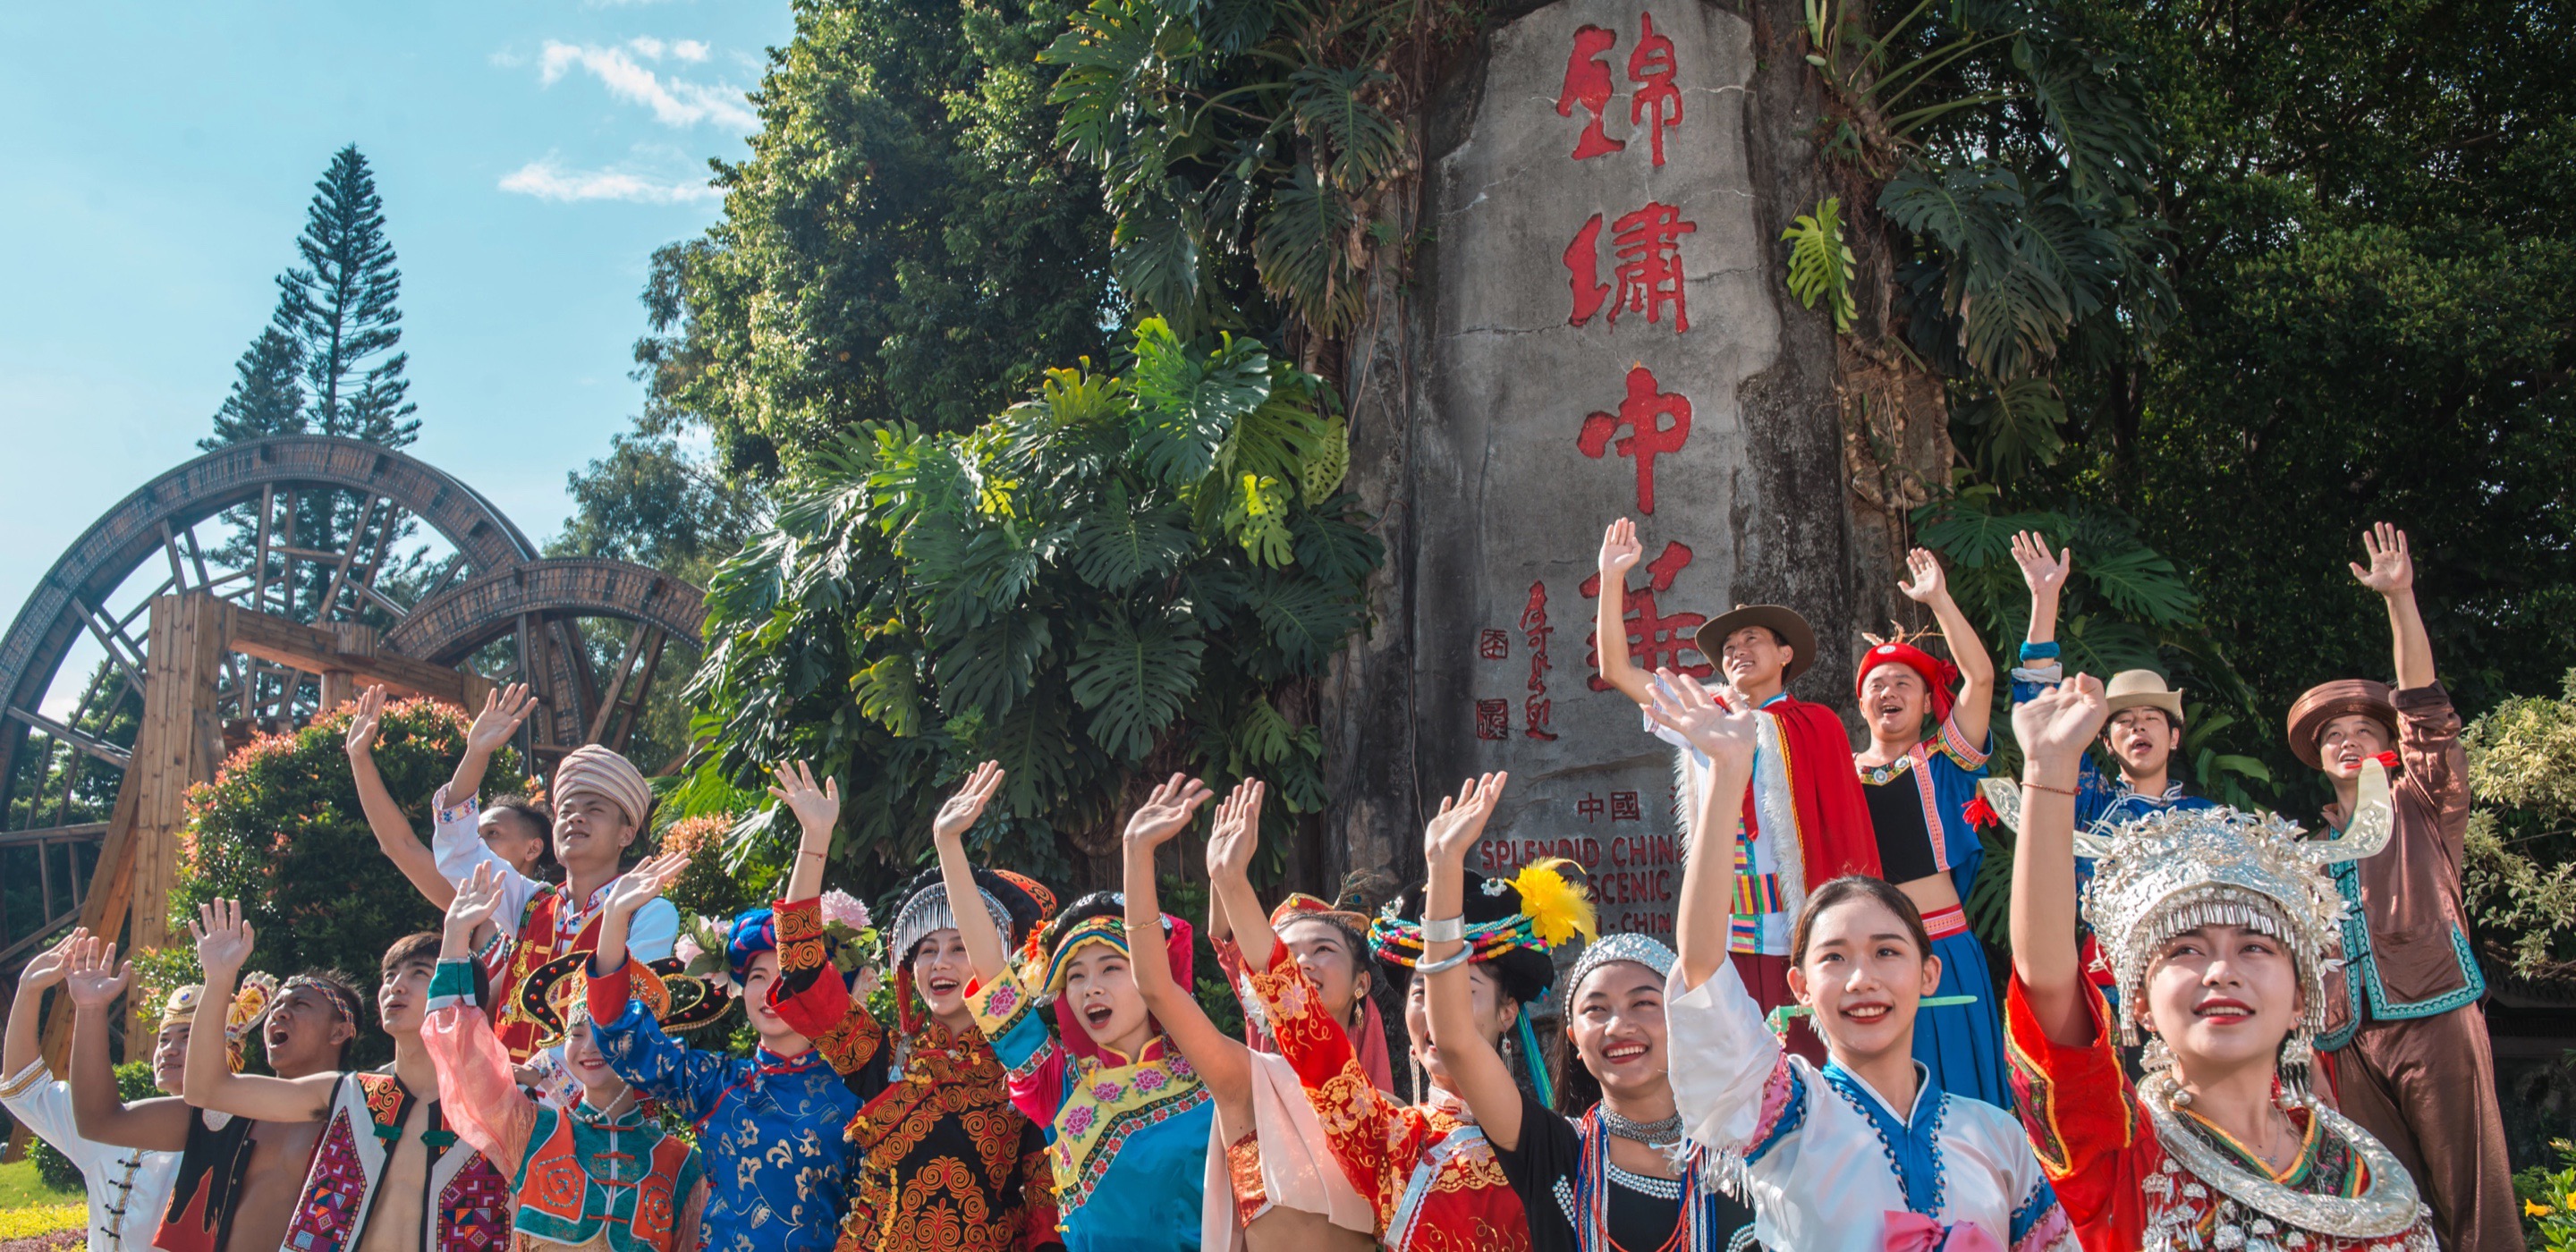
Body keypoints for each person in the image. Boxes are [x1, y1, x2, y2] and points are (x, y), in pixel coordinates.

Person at [2004, 672, 2440, 1251]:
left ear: (2302, 996)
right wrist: (2049, 768)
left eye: (2254, 946)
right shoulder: (2121, 1154)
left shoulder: (2363, 1174)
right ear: (2140, 999)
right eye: (2185, 949)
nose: (2221, 970)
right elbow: (2046, 983)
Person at [1650, 671, 2074, 1252]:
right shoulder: (1787, 1115)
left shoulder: (1996, 1137)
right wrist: (1727, 775)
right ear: (1799, 984)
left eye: (1887, 951)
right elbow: (1702, 970)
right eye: (1833, 957)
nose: (1861, 979)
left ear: (1929, 973)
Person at [2285, 523, 2519, 1250]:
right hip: (2348, 1037)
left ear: (2387, 747)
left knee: (2473, 1196)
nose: (2346, 741)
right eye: (2333, 737)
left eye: (2362, 730)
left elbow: (2426, 713)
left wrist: (2399, 598)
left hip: (2434, 1006)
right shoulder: (2309, 853)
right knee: (2389, 1210)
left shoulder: (2422, 805)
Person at [1415, 776, 1755, 1252]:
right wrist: (1445, 866)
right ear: (1574, 1037)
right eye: (1597, 1010)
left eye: (1643, 1003)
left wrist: (1726, 774)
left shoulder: (1743, 1146)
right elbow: (1455, 1039)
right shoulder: (1554, 1150)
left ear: (1682, 1020)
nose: (1619, 1025)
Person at [1595, 519, 1878, 1057]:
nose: (1737, 649)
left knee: (1810, 1063)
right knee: (1733, 1066)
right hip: (1722, 931)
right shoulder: (1704, 713)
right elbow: (1617, 670)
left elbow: (1843, 827)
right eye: (1728, 645)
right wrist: (1612, 579)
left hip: (1797, 928)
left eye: (1753, 639)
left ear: (1785, 655)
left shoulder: (1816, 724)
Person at [759, 761, 1059, 1252]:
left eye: (960, 947)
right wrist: (814, 841)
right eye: (926, 950)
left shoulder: (1027, 1070)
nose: (940, 962)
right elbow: (804, 976)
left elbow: (1045, 1217)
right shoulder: (883, 1055)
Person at [955, 775, 1215, 1252]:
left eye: (1111, 968)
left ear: (1152, 975)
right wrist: (950, 846)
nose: (1090, 986)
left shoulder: (1212, 1077)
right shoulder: (1059, 1085)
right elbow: (993, 979)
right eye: (1074, 975)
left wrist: (1141, 853)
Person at [586, 834, 881, 1252]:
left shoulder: (859, 1092)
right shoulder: (716, 1083)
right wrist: (615, 917)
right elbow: (621, 1037)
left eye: (787, 978)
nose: (771, 992)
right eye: (758, 977)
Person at [1122, 776, 1375, 1252]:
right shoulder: (1247, 1083)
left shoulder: (1389, 1111)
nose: (1302, 964)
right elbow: (1156, 987)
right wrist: (1136, 852)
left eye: (1323, 949)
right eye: (1289, 954)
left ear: (1362, 983)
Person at [181, 901, 512, 1252]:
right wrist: (218, 980)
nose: (396, 986)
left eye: (419, 973)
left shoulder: (503, 1109)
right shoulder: (347, 1094)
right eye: (389, 976)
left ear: (461, 996)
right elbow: (207, 1089)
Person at [423, 861, 710, 1252]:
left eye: (605, 1034)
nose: (589, 1047)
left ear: (643, 1044)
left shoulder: (681, 1165)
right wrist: (455, 937)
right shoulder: (533, 1132)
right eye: (575, 1034)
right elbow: (462, 1054)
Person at [1848, 546, 2008, 1106]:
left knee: (1956, 1089)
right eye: (1877, 684)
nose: (1888, 692)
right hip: (1864, 952)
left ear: (1925, 704)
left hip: (1941, 941)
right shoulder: (1838, 772)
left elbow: (1981, 678)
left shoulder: (1945, 760)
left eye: (1904, 684)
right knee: (1875, 1092)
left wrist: (1938, 598)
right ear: (1861, 704)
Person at [433, 699, 674, 1062]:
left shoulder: (649, 912)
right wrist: (476, 753)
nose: (575, 818)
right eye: (566, 811)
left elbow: (627, 1015)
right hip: (504, 1093)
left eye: (594, 809)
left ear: (626, 834)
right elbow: (458, 850)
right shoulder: (530, 904)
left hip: (590, 1096)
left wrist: (542, 1077)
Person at [345, 683, 553, 992]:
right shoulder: (466, 908)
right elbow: (399, 846)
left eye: (492, 834)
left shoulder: (548, 910)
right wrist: (358, 757)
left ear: (533, 848)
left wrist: (478, 753)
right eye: (475, 835)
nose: (477, 842)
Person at [0, 931, 185, 1252]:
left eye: (187, 1037)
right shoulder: (109, 1128)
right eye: (164, 1039)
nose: (169, 1049)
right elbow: (22, 1086)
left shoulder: (241, 1131)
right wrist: (28, 989)